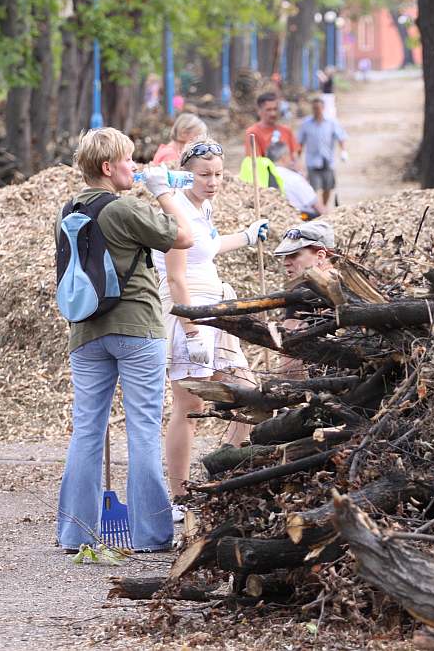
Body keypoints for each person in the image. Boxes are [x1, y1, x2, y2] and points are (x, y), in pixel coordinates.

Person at [55, 127, 194, 553]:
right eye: (129, 160)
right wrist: (165, 193)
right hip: (137, 328)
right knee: (143, 430)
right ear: (107, 167)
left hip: (86, 331)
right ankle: (151, 534)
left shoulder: (68, 210)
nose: (135, 167)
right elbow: (184, 236)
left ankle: (75, 532)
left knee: (87, 431)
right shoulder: (125, 209)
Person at [152, 139, 268, 512]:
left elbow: (209, 248)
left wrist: (248, 236)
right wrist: (190, 328)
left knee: (250, 392)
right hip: (188, 311)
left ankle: (220, 473)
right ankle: (180, 496)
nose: (213, 181)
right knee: (189, 405)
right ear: (188, 174)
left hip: (216, 307)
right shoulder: (175, 211)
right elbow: (175, 277)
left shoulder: (204, 208)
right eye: (204, 175)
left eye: (218, 174)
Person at [272, 222, 337, 379]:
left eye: (294, 255)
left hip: (325, 389)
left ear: (320, 256)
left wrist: (292, 396)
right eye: (285, 256)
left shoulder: (303, 292)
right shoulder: (357, 283)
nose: (286, 262)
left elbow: (290, 364)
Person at [297, 96, 348, 210]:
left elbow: (341, 137)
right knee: (313, 188)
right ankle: (317, 209)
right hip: (313, 161)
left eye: (319, 108)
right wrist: (297, 159)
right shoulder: (306, 124)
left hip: (327, 161)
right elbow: (300, 142)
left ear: (323, 108)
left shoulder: (331, 123)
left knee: (328, 187)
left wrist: (343, 151)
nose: (317, 110)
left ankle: (324, 207)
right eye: (314, 108)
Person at [266, 141, 327, 218]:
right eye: (289, 154)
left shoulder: (266, 176)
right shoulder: (293, 177)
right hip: (303, 219)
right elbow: (317, 206)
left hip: (278, 218)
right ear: (283, 157)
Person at [244, 92, 300, 160]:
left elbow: (295, 157)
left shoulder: (286, 131)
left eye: (275, 109)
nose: (273, 113)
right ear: (259, 111)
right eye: (268, 110)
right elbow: (255, 162)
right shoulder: (252, 133)